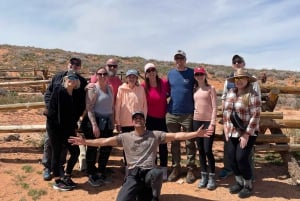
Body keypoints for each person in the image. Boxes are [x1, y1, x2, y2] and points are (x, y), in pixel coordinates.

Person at [68, 111, 213, 201]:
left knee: (157, 173)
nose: (138, 120)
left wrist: (195, 134)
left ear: (144, 121)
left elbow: (176, 135)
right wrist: (85, 141)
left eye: (140, 118)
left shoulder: (155, 135)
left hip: (150, 172)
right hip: (133, 174)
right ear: (132, 122)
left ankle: (155, 195)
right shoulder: (125, 137)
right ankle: (140, 190)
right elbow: (104, 141)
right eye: (135, 118)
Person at [42, 57, 88, 181]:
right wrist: (51, 106)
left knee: (63, 147)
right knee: (49, 143)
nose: (74, 67)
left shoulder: (82, 82)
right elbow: (48, 93)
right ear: (68, 65)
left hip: (69, 122)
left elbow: (81, 102)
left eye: (77, 65)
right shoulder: (58, 77)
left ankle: (59, 168)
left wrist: (75, 117)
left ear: (79, 67)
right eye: (72, 64)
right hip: (54, 119)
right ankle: (47, 167)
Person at [219, 55, 261, 179]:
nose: (239, 80)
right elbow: (226, 110)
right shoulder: (231, 92)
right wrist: (226, 126)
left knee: (242, 157)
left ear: (247, 80)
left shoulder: (252, 93)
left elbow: (256, 114)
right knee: (232, 156)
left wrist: (246, 134)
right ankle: (239, 181)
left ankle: (248, 181)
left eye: (242, 78)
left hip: (247, 129)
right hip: (232, 129)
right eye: (237, 78)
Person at [47, 70, 82, 191]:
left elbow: (71, 116)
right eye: (68, 78)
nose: (71, 79)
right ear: (65, 80)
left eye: (73, 78)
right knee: (56, 153)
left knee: (75, 151)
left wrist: (74, 129)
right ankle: (57, 180)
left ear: (77, 82)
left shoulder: (73, 96)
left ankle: (67, 176)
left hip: (67, 129)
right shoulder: (59, 91)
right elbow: (56, 114)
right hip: (55, 128)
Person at [166, 50, 197, 183]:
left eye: (181, 58)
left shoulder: (192, 73)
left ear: (185, 59)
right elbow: (166, 91)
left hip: (188, 113)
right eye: (177, 58)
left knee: (190, 142)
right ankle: (176, 167)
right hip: (172, 113)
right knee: (174, 142)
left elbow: (200, 87)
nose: (179, 61)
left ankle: (190, 169)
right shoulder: (171, 74)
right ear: (175, 60)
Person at [82, 67, 114, 187]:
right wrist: (95, 125)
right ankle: (91, 173)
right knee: (92, 148)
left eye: (104, 74)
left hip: (106, 122)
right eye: (100, 74)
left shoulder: (110, 88)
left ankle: (101, 171)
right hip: (93, 122)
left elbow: (112, 107)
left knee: (106, 147)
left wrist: (113, 121)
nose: (102, 76)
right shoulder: (93, 88)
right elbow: (89, 108)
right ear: (96, 75)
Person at [141, 63, 170, 181]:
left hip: (163, 118)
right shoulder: (143, 86)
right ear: (146, 74)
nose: (151, 72)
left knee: (163, 144)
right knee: (151, 144)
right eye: (148, 71)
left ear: (156, 71)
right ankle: (152, 167)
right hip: (149, 119)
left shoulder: (163, 83)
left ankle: (163, 169)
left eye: (153, 70)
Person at [115, 69, 147, 172]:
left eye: (134, 77)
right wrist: (118, 122)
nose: (132, 79)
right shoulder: (121, 89)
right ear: (126, 78)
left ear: (137, 78)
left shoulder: (141, 89)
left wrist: (144, 120)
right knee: (127, 146)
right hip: (125, 122)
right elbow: (117, 106)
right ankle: (128, 168)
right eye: (130, 77)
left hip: (138, 122)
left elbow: (144, 105)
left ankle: (138, 167)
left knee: (139, 144)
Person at [192, 66, 217, 190]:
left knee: (208, 150)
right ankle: (204, 175)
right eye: (197, 75)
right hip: (197, 121)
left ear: (205, 75)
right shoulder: (195, 89)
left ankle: (212, 176)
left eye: (201, 74)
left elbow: (215, 107)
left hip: (208, 122)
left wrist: (212, 123)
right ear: (195, 76)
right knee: (200, 149)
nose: (199, 76)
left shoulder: (210, 88)